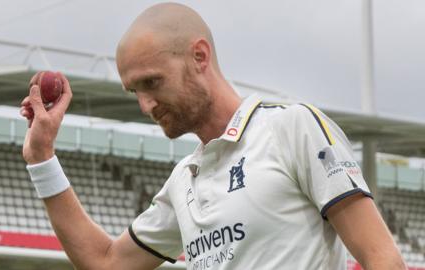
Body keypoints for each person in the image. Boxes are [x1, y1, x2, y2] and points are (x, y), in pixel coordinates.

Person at [20, 3, 406, 270]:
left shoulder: (292, 128)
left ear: (200, 57)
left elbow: (383, 260)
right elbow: (104, 261)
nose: (145, 104)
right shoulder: (184, 180)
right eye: (133, 91)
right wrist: (42, 159)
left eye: (152, 82)